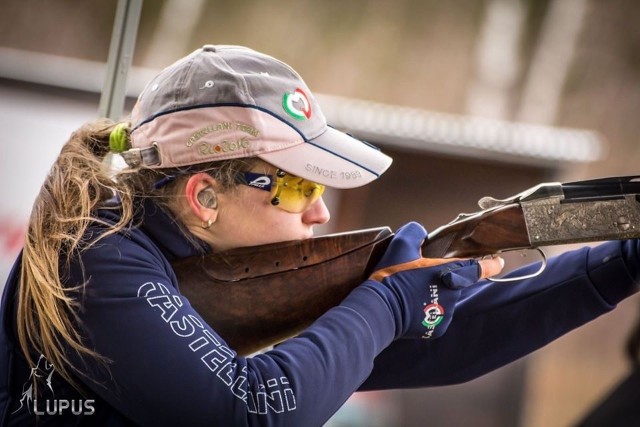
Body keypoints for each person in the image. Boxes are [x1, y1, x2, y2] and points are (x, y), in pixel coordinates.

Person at [0, 44, 637, 426]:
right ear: (204, 196)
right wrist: (386, 301)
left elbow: (446, 343)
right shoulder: (97, 258)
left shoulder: (197, 263)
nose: (322, 214)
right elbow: (252, 413)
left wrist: (617, 265)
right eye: (300, 187)